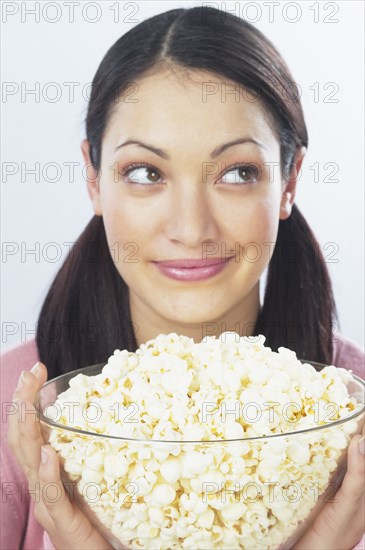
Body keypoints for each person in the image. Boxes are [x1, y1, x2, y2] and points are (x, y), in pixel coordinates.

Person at [1, 6, 364, 549]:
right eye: (145, 173)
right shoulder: (23, 415)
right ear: (94, 178)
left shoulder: (352, 418)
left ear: (289, 181)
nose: (191, 229)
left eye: (237, 172)